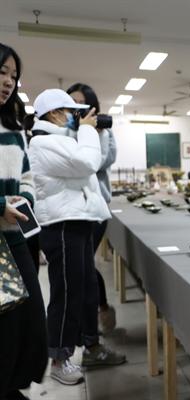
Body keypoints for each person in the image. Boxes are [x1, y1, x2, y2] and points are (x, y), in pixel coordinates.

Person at [28, 88, 126, 386]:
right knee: (66, 294)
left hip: (78, 222)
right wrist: (86, 131)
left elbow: (93, 162)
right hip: (61, 226)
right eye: (72, 112)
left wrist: (90, 132)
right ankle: (59, 360)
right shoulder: (42, 143)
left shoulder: (63, 140)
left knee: (85, 290)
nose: (77, 117)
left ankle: (86, 347)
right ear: (54, 114)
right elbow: (87, 164)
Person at [0, 42, 48, 400]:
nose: (8, 82)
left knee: (29, 321)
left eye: (13, 76)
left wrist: (25, 198)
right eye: (2, 72)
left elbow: (28, 177)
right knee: (5, 323)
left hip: (15, 236)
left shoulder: (13, 127)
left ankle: (11, 386)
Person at [67, 82, 118, 334]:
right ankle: (95, 319)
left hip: (96, 207)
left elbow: (98, 162)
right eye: (72, 103)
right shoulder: (65, 129)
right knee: (81, 266)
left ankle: (99, 314)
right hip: (71, 207)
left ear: (92, 106)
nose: (77, 108)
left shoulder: (101, 130)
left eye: (81, 103)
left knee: (86, 264)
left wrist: (92, 132)